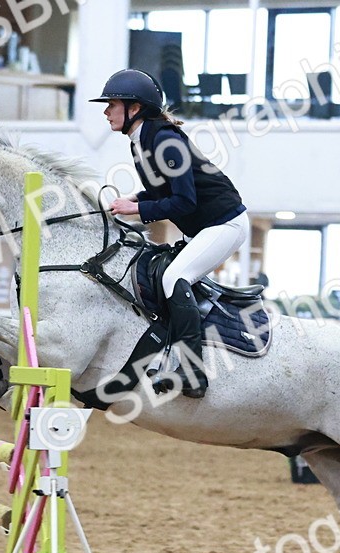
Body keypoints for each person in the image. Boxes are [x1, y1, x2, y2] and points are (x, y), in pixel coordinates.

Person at [92, 69, 249, 399]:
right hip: (204, 227)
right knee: (161, 275)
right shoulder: (142, 142)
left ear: (134, 108)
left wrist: (136, 209)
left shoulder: (164, 140)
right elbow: (162, 190)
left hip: (224, 225)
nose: (106, 111)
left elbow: (183, 201)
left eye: (112, 104)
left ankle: (193, 372)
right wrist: (137, 198)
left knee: (175, 277)